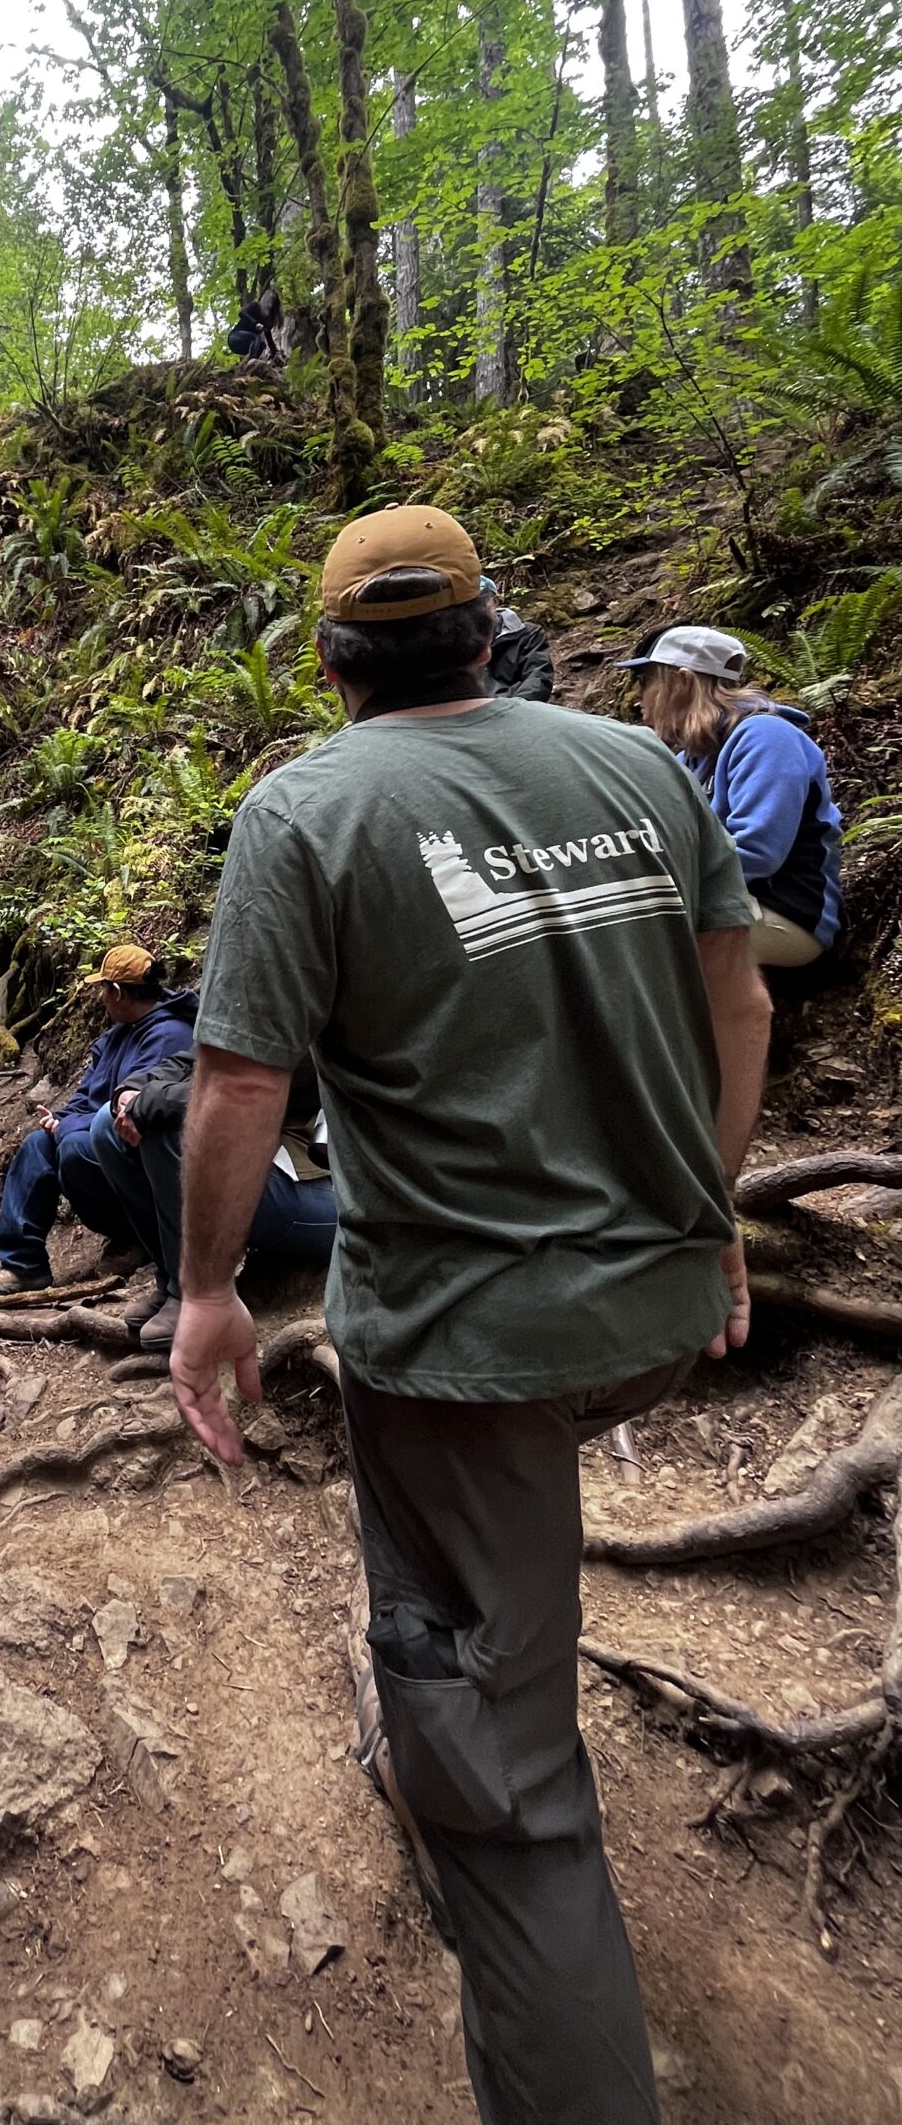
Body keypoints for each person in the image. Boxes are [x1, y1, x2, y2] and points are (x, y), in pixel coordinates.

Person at [169, 504, 771, 2125]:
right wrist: (710, 1213)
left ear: (332, 657)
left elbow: (236, 1079)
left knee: (516, 1803)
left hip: (469, 1345)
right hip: (656, 1301)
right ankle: (438, 1713)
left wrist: (213, 1290)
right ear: (485, 623)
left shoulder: (308, 811)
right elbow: (740, 996)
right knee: (471, 1577)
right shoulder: (641, 770)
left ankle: (471, 1779)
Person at [615, 624, 844, 970]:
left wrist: (656, 887)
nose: (639, 697)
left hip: (787, 914)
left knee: (625, 938)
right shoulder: (690, 758)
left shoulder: (767, 737)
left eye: (647, 681)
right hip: (727, 904)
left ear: (683, 681)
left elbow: (757, 852)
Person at [88, 1048, 335, 1350]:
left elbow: (246, 1088)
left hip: (339, 1198)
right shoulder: (254, 1012)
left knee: (171, 1127)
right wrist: (130, 1091)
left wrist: (149, 1100)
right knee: (106, 1124)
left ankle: (194, 1293)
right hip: (279, 1163)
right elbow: (196, 1059)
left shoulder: (323, 1015)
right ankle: (172, 1279)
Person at [0, 946, 197, 1295]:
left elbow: (124, 1113)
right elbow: (88, 1096)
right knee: (38, 1144)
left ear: (116, 992)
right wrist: (60, 1118)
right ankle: (23, 1265)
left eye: (103, 989)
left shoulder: (168, 1035)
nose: (100, 997)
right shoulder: (117, 1035)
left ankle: (138, 1234)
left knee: (74, 1148)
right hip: (100, 1135)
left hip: (140, 1157)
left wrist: (66, 1128)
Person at [480, 575, 555, 701]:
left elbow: (538, 677)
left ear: (495, 601)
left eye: (481, 602)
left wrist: (515, 710)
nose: (476, 610)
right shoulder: (455, 637)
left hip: (516, 708)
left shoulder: (528, 634)